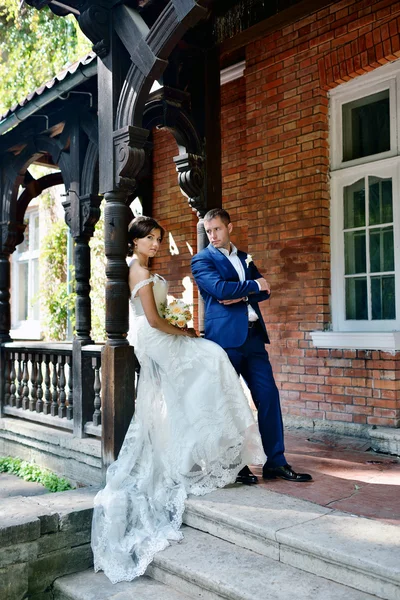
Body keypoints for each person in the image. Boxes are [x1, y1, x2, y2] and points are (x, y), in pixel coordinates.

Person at [91, 216, 264, 584]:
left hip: (160, 334)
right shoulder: (136, 269)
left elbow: (160, 312)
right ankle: (208, 447)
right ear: (134, 241)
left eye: (157, 239)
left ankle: (200, 448)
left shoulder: (144, 268)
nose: (155, 244)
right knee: (213, 357)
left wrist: (180, 322)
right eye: (148, 239)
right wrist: (183, 330)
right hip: (155, 338)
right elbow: (153, 322)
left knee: (205, 369)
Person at [191, 208, 312, 484]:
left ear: (229, 227)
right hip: (224, 342)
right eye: (208, 231)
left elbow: (266, 290)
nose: (212, 236)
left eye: (217, 229)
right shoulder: (201, 260)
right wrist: (250, 287)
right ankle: (235, 464)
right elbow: (220, 290)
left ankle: (276, 462)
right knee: (228, 403)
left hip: (254, 338)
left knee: (268, 396)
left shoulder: (245, 257)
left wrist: (243, 290)